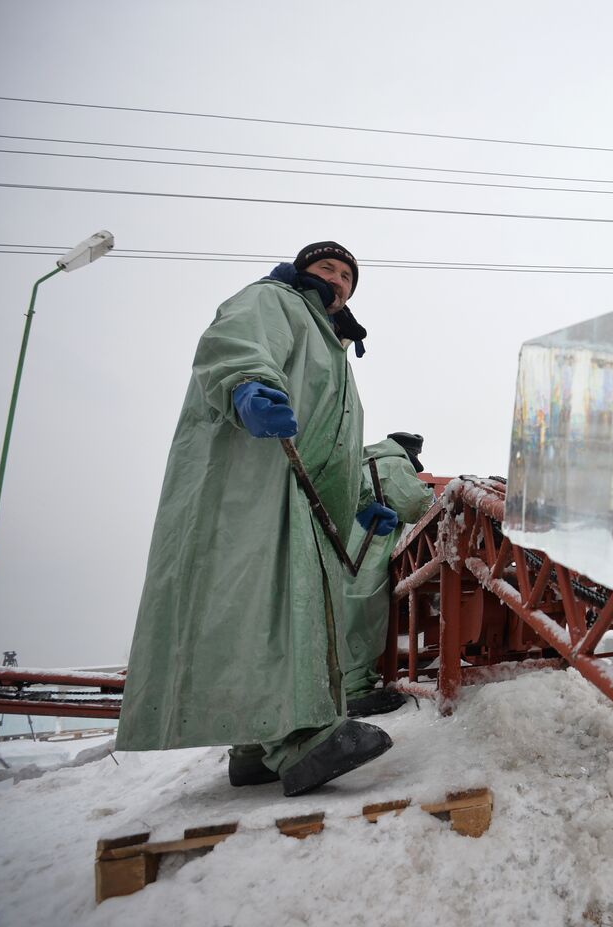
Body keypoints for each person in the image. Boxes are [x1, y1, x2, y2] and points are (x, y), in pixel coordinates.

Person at [117, 241, 401, 797]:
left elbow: (336, 439)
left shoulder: (337, 351)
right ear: (303, 272)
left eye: (347, 275)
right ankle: (302, 738)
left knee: (261, 611)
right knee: (269, 608)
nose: (338, 279)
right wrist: (247, 386)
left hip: (304, 494)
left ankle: (252, 747)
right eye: (327, 268)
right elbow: (234, 343)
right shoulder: (276, 300)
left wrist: (361, 497)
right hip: (256, 479)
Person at [341, 432, 435, 717]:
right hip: (369, 551)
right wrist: (430, 493)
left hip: (345, 548)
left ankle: (337, 686)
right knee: (364, 616)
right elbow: (416, 506)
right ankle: (353, 690)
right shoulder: (394, 463)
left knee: (342, 613)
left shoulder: (360, 463)